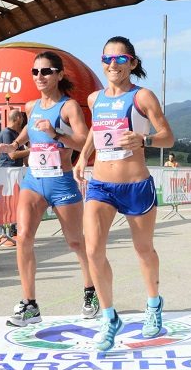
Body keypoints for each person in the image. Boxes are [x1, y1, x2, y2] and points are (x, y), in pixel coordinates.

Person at [74, 36, 174, 352]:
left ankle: (154, 303)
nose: (113, 65)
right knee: (93, 250)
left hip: (135, 185)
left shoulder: (142, 96)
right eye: (107, 59)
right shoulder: (94, 99)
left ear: (132, 63)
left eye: (120, 59)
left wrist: (145, 140)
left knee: (143, 250)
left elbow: (168, 137)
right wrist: (82, 157)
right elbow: (96, 129)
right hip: (101, 185)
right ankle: (109, 317)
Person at [0, 51, 98, 326]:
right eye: (35, 71)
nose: (40, 76)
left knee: (75, 242)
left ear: (59, 74)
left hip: (61, 181)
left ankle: (91, 290)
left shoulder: (69, 107)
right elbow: (28, 131)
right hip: (34, 180)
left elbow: (85, 141)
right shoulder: (31, 106)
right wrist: (12, 145)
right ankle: (30, 304)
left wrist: (56, 134)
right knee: (24, 236)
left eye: (46, 71)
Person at [0, 110, 29, 246]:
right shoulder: (7, 133)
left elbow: (21, 154)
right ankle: (1, 234)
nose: (23, 121)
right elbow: (12, 155)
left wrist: (27, 163)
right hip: (7, 171)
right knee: (6, 202)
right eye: (22, 118)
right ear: (17, 118)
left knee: (16, 203)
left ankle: (14, 232)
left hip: (16, 171)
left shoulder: (16, 134)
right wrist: (31, 150)